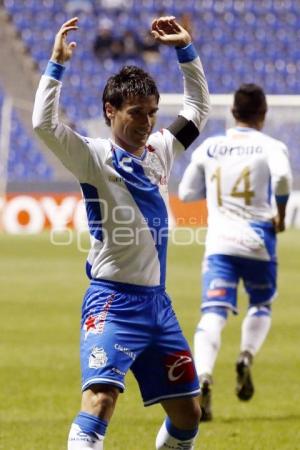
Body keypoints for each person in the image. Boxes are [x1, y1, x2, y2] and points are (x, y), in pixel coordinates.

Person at [33, 16, 210, 449]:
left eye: (152, 113)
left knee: (189, 413)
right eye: (136, 113)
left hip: (157, 305)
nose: (147, 122)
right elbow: (43, 124)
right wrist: (56, 66)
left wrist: (186, 51)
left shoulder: (162, 151)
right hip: (112, 303)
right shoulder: (93, 157)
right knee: (99, 400)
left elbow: (197, 110)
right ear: (111, 111)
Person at [179, 83, 292, 421]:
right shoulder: (271, 146)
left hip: (220, 243)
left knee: (213, 312)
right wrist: (282, 216)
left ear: (232, 113)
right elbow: (284, 178)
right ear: (264, 114)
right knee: (260, 304)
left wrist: (213, 189)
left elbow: (185, 193)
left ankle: (202, 376)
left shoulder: (211, 147)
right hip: (259, 240)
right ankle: (245, 355)